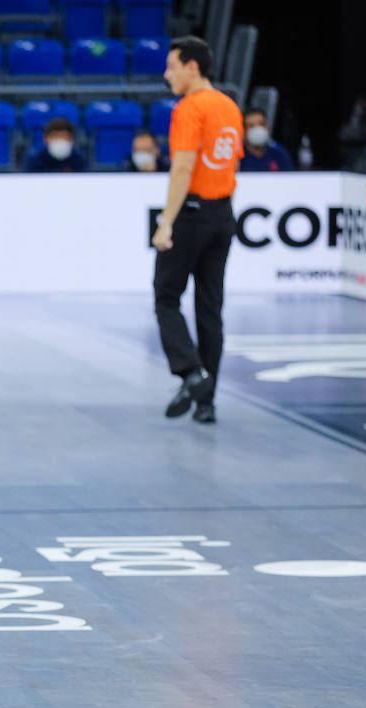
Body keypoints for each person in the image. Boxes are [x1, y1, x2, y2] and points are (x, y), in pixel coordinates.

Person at [150, 35, 242, 425]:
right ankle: (207, 402)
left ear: (192, 67)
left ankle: (191, 373)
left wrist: (166, 220)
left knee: (166, 295)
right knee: (210, 307)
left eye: (172, 66)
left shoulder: (190, 109)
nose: (166, 74)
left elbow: (183, 168)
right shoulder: (230, 106)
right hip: (223, 214)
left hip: (192, 214)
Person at [23, 117, 88, 173]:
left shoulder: (78, 159)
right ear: (45, 139)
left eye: (63, 137)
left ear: (71, 139)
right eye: (55, 137)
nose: (59, 140)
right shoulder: (34, 159)